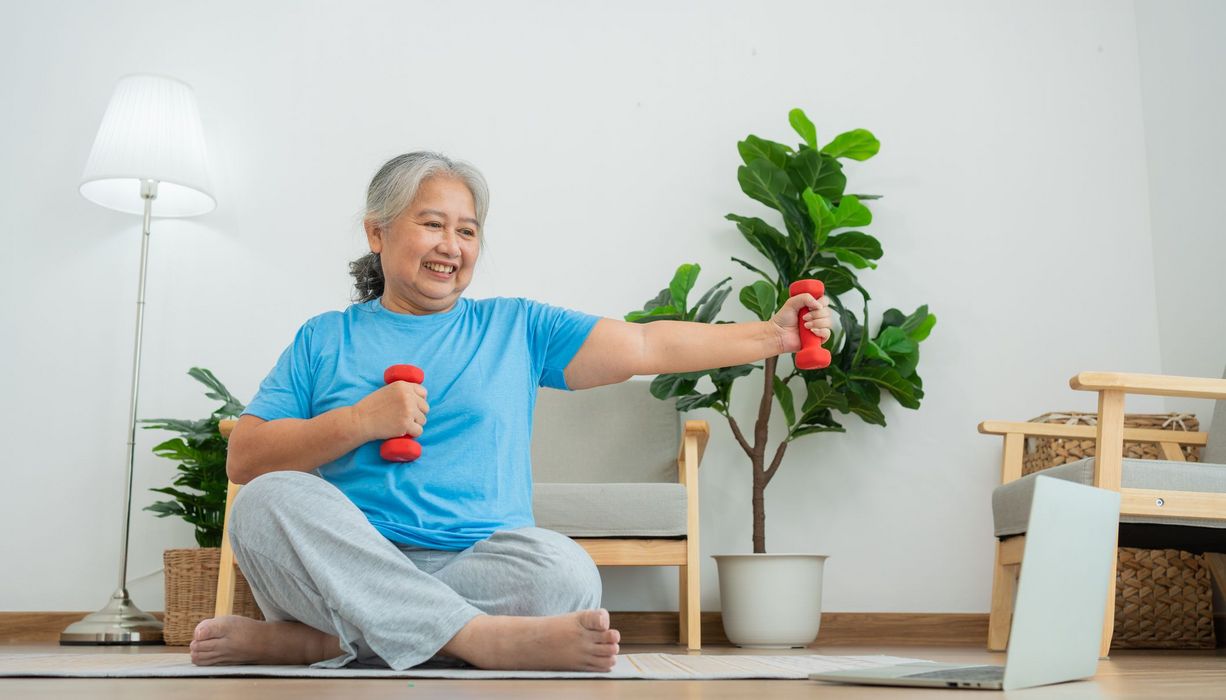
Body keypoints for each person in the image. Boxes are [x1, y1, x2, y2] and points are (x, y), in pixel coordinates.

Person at [189, 152, 833, 672]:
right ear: (376, 232)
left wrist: (772, 336)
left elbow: (646, 345)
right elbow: (247, 458)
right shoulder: (323, 338)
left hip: (482, 563)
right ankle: (479, 640)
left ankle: (325, 643)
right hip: (347, 562)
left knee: (566, 573)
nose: (452, 245)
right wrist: (360, 422)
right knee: (265, 503)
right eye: (432, 224)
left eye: (467, 231)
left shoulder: (518, 327)